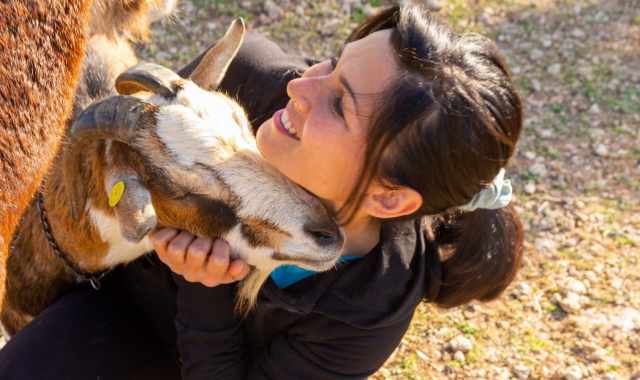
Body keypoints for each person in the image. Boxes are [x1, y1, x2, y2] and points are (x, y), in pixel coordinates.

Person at [0, 4, 523, 379]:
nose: (302, 86)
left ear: (389, 199)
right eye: (333, 64)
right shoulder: (252, 77)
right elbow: (115, 162)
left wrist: (207, 286)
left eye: (338, 104)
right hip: (113, 298)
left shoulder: (365, 313)